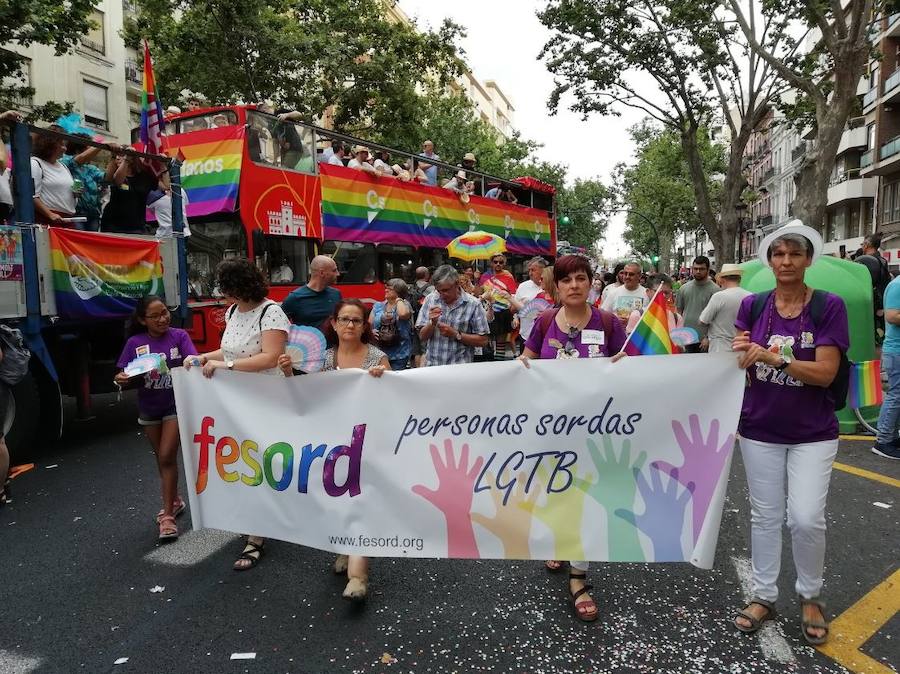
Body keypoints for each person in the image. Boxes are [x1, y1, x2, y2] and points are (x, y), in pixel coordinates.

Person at [731, 222, 849, 645]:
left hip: (813, 432)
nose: (785, 262)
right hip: (760, 427)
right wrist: (740, 355)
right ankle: (764, 595)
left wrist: (774, 359)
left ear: (808, 260)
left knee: (805, 517)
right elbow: (741, 355)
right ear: (770, 260)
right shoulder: (753, 304)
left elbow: (826, 373)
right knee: (764, 516)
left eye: (794, 254)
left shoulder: (828, 306)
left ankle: (810, 595)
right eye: (778, 254)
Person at [517, 255, 626, 622]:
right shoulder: (545, 320)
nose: (575, 286)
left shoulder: (609, 323)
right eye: (567, 280)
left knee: (585, 497)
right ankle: (561, 540)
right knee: (556, 490)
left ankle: (579, 577)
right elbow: (525, 364)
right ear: (557, 287)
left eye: (582, 278)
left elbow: (633, 374)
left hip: (594, 431)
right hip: (551, 429)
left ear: (592, 283)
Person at [278, 299, 389, 600]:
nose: (350, 325)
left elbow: (394, 405)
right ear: (335, 323)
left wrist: (384, 382)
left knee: (360, 504)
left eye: (356, 320)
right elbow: (309, 397)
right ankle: (344, 547)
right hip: (332, 445)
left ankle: (358, 576)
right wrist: (289, 374)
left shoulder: (378, 358)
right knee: (339, 502)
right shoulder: (324, 359)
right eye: (345, 319)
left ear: (365, 325)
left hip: (367, 445)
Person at [185, 258, 290, 570]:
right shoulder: (233, 311)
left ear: (241, 286)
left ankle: (256, 536)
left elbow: (270, 357)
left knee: (257, 463)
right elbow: (230, 350)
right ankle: (261, 519)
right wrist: (203, 356)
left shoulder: (272, 312)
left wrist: (225, 366)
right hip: (235, 399)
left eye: (227, 288)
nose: (223, 294)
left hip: (266, 399)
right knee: (242, 461)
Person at [115, 296, 198, 541]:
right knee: (162, 460)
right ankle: (175, 500)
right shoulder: (134, 342)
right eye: (155, 316)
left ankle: (168, 517)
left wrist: (191, 363)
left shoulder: (179, 336)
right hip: (149, 408)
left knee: (166, 456)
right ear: (142, 320)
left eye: (165, 312)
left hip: (176, 405)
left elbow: (192, 360)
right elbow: (123, 372)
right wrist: (121, 377)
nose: (163, 318)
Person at [416, 265, 489, 366]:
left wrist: (456, 334)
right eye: (438, 290)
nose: (441, 295)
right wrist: (432, 323)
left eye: (446, 290)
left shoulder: (473, 304)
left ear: (457, 283)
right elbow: (422, 337)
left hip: (460, 369)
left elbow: (483, 340)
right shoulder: (430, 299)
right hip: (433, 367)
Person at [872, 271, 900, 459]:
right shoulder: (898, 285)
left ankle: (891, 437)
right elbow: (892, 316)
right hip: (897, 350)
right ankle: (883, 441)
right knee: (896, 395)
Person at [698, 263, 751, 354]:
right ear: (739, 279)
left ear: (722, 279)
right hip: (743, 347)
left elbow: (703, 320)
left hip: (720, 347)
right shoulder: (751, 296)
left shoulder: (719, 296)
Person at [30, 125, 76, 225]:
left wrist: (76, 194)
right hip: (48, 219)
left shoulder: (63, 166)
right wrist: (50, 214)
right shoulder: (35, 163)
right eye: (62, 144)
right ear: (50, 144)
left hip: (67, 220)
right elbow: (32, 196)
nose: (65, 148)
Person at [61, 133, 106, 231]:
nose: (93, 152)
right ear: (79, 149)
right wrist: (101, 145)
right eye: (89, 148)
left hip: (93, 214)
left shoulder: (90, 168)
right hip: (75, 214)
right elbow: (76, 161)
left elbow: (107, 179)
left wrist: (114, 158)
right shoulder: (66, 162)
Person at [100, 154, 157, 233]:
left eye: (122, 155)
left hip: (137, 226)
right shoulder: (113, 174)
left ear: (133, 159)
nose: (118, 157)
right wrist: (126, 160)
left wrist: (163, 165)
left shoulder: (144, 177)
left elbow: (165, 185)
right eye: (117, 155)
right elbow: (118, 181)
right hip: (113, 226)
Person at [479, 254, 521, 359]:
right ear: (491, 263)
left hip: (503, 312)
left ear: (504, 264)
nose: (498, 264)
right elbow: (479, 293)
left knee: (501, 342)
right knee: (486, 340)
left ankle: (499, 363)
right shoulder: (485, 276)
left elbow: (513, 295)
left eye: (501, 262)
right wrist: (476, 279)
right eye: (495, 262)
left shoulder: (508, 277)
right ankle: (489, 362)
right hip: (488, 311)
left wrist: (514, 315)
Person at [281, 255, 341, 328]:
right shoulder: (294, 298)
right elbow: (278, 326)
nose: (338, 274)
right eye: (334, 270)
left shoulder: (336, 294)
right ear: (322, 273)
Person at [676, 255, 719, 352]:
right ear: (692, 269)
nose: (698, 271)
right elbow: (678, 313)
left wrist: (708, 337)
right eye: (695, 269)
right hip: (686, 339)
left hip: (705, 341)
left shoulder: (716, 291)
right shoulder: (683, 288)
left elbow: (717, 319)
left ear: (708, 270)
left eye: (701, 269)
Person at [370, 278, 413, 371]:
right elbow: (369, 324)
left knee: (394, 381)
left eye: (389, 289)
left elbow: (403, 314)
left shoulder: (405, 305)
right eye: (386, 288)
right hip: (379, 352)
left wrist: (398, 300)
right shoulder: (378, 305)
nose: (386, 290)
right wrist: (371, 331)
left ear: (398, 291)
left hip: (400, 353)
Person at [854, 233, 890, 343]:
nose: (861, 246)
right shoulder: (882, 260)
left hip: (870, 306)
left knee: (871, 340)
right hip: (880, 305)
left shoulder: (866, 262)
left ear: (867, 244)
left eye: (863, 244)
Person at [512, 256, 549, 344]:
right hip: (526, 336)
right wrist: (515, 316)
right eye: (529, 270)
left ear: (543, 270)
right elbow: (513, 309)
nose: (530, 273)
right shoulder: (523, 286)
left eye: (533, 270)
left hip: (546, 336)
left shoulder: (553, 286)